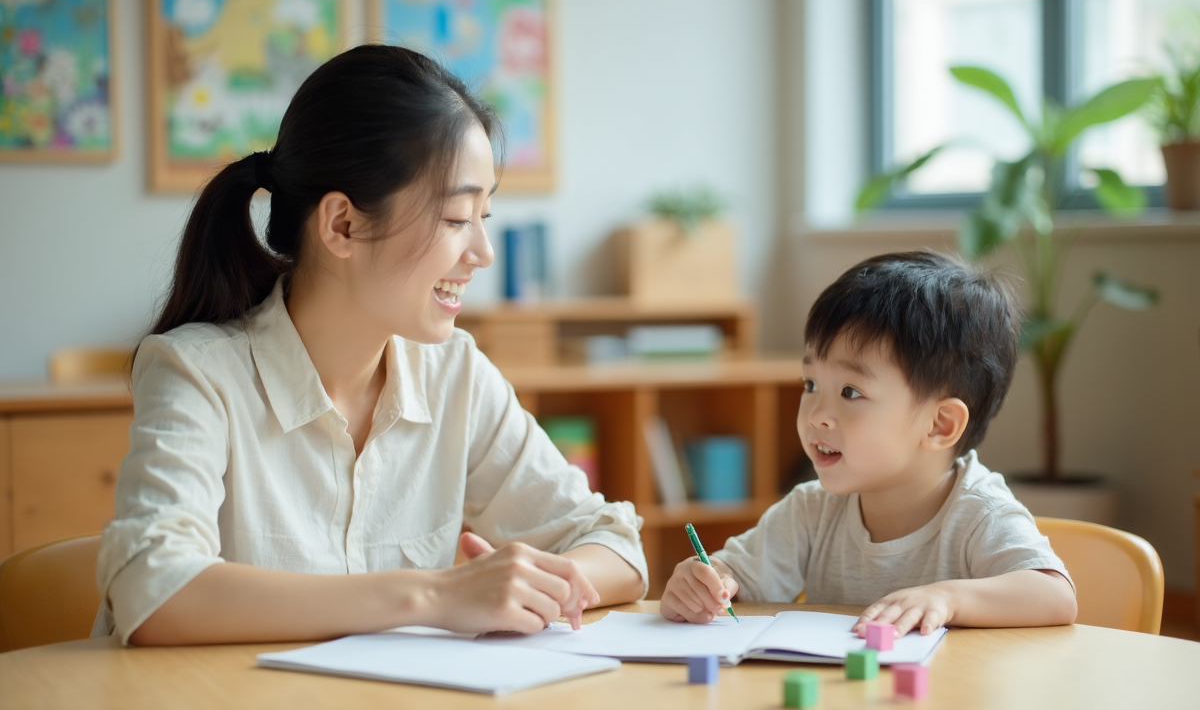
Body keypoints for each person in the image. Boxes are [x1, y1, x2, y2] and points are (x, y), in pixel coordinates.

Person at [93, 45, 646, 646]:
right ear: (342, 226)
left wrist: (531, 583)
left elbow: (615, 547)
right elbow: (155, 593)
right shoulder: (196, 373)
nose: (482, 252)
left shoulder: (455, 373)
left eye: (485, 215)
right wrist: (437, 595)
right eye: (458, 217)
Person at [660, 251, 1077, 636]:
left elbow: (1054, 596)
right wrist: (705, 582)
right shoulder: (811, 510)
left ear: (938, 424)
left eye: (850, 392)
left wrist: (949, 598)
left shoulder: (979, 515)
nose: (816, 414)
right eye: (811, 384)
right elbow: (737, 580)